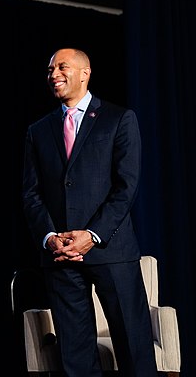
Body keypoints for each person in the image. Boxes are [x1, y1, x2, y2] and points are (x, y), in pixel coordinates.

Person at [21, 48, 158, 376]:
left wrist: (92, 235)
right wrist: (50, 237)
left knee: (133, 346)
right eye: (50, 68)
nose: (53, 73)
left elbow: (126, 188)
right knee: (75, 354)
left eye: (62, 67)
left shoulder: (118, 119)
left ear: (85, 73)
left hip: (110, 250)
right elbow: (31, 193)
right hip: (60, 255)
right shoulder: (38, 130)